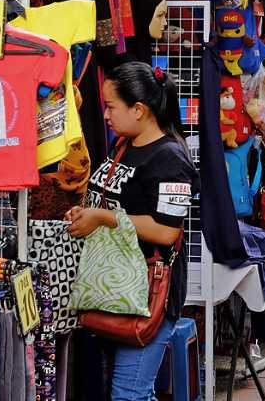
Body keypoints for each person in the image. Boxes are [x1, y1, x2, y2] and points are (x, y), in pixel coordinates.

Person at [66, 63, 198, 401]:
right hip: (113, 289)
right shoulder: (122, 146)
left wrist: (104, 217)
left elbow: (168, 231)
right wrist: (88, 212)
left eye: (111, 106)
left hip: (146, 295)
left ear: (138, 110)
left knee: (129, 394)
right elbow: (111, 201)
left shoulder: (169, 159)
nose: (105, 115)